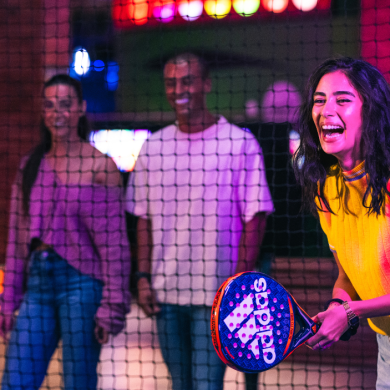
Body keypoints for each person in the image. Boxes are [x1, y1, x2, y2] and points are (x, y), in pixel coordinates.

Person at [126, 52, 274, 390]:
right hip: (166, 296)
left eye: (187, 80)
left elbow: (257, 216)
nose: (179, 89)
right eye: (171, 82)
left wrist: (238, 283)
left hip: (216, 297)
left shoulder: (239, 143)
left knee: (206, 386)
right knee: (181, 385)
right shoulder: (153, 147)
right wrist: (144, 277)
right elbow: (143, 219)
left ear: (205, 84)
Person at [0, 74, 131, 390]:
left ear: (81, 109)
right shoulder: (31, 165)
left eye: (65, 104)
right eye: (49, 105)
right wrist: (8, 300)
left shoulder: (101, 167)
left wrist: (113, 304)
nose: (57, 112)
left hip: (83, 285)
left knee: (78, 382)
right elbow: (17, 238)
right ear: (43, 113)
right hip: (38, 283)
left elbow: (115, 244)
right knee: (15, 381)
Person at [293, 57, 390, 389]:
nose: (325, 111)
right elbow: (348, 272)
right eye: (319, 101)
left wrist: (351, 313)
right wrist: (339, 303)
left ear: (371, 111)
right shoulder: (327, 188)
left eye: (342, 100)